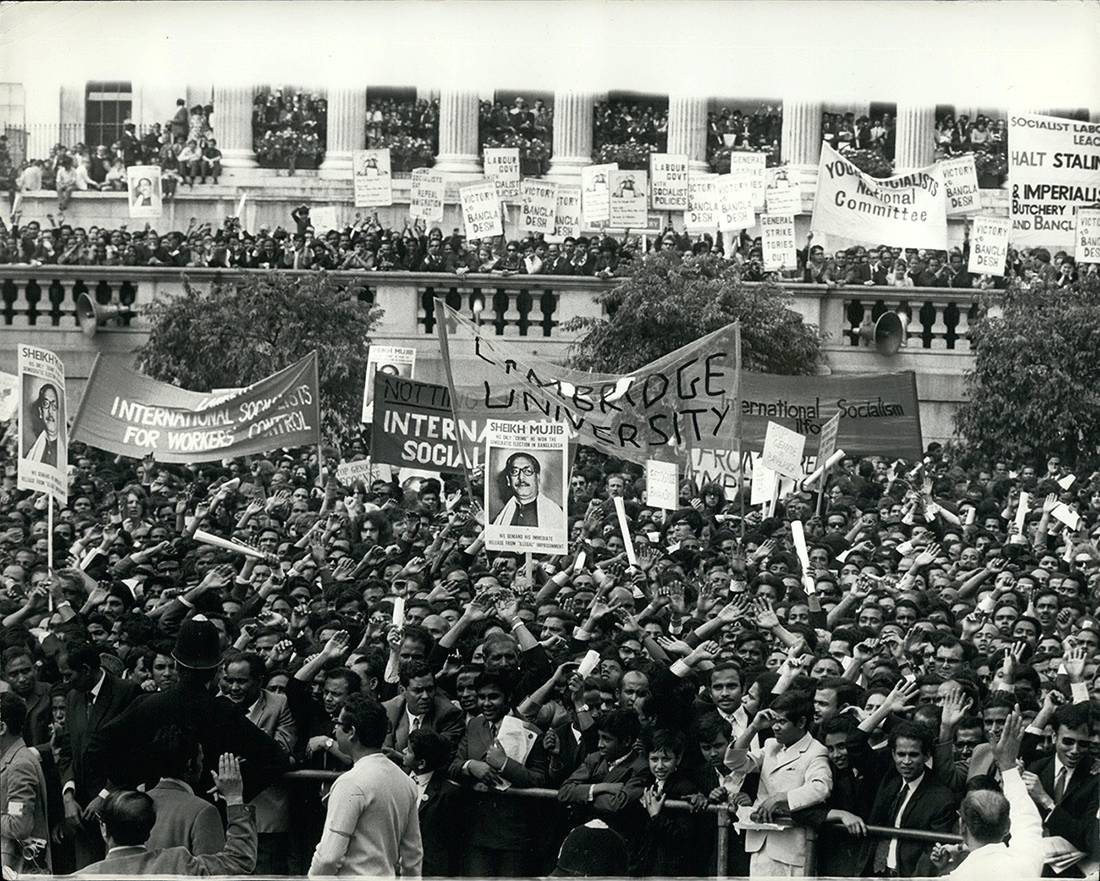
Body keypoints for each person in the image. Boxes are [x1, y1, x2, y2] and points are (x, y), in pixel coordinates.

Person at [75, 752, 257, 875]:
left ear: (104, 829)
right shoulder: (178, 862)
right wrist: (234, 798)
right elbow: (239, 861)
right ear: (149, 827)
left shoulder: (84, 877)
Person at [308, 693, 423, 877]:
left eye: (337, 724)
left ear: (351, 732)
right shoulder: (405, 781)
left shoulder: (350, 783)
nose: (334, 730)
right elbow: (413, 855)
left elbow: (328, 857)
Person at [726, 690, 832, 876]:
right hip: (760, 843)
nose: (775, 727)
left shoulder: (816, 751)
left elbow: (820, 787)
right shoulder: (770, 745)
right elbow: (734, 762)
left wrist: (780, 798)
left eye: (782, 722)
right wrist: (753, 728)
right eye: (774, 721)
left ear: (801, 722)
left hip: (791, 849)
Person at [930, 710, 1044, 879]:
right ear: (1007, 826)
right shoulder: (1027, 862)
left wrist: (944, 871)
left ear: (962, 827)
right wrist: (1008, 766)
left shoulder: (956, 877)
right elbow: (1028, 820)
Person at [1, 691, 51, 874]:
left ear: (1, 727)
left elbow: (18, 826)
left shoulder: (19, 764)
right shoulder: (12, 759)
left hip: (21, 868)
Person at [492, 452, 564, 528]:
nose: (521, 478)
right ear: (508, 480)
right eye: (515, 472)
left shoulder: (555, 514)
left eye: (528, 471)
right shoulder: (502, 516)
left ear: (537, 477)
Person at [24, 382, 64, 467]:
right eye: (46, 404)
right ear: (40, 412)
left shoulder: (65, 450)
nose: (50, 411)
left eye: (54, 405)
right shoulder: (33, 451)